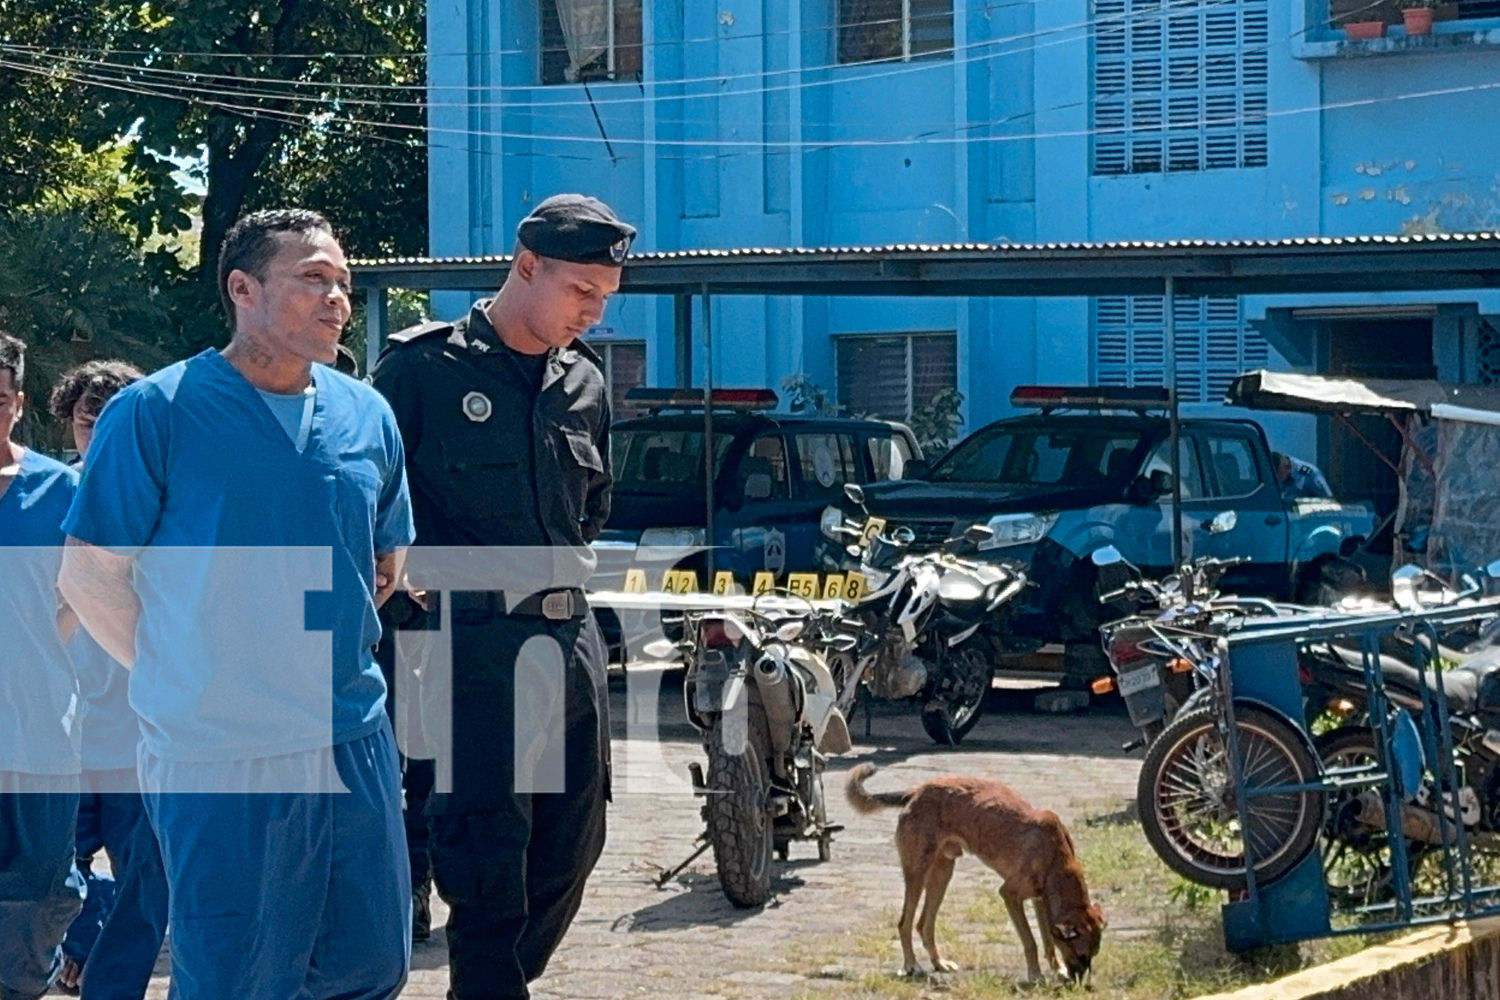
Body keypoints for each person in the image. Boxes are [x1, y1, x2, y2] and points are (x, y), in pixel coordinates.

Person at [58, 209, 416, 1000]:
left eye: (344, 285)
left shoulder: (367, 415)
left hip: (347, 731)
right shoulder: (156, 412)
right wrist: (187, 669)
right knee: (237, 975)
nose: (336, 301)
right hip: (218, 750)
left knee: (370, 964)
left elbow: (384, 565)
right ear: (242, 289)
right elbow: (88, 577)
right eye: (313, 280)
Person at [371, 193, 630, 999]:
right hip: (468, 652)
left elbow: (592, 512)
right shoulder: (420, 369)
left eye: (605, 298)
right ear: (526, 266)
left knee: (571, 845)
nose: (593, 312)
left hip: (568, 640)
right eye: (581, 291)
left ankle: (491, 985)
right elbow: (372, 507)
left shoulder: (583, 381)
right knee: (486, 858)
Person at [49, 359, 171, 1000]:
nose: (96, 434)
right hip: (61, 734)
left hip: (142, 732)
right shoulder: (46, 496)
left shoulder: (170, 496)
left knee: (148, 877)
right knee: (50, 874)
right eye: (85, 420)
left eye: (111, 420)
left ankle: (111, 985)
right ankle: (83, 946)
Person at [0, 331, 87, 1000]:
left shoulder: (60, 494)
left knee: (42, 889)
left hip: (37, 738)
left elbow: (81, 599)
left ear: (19, 403)